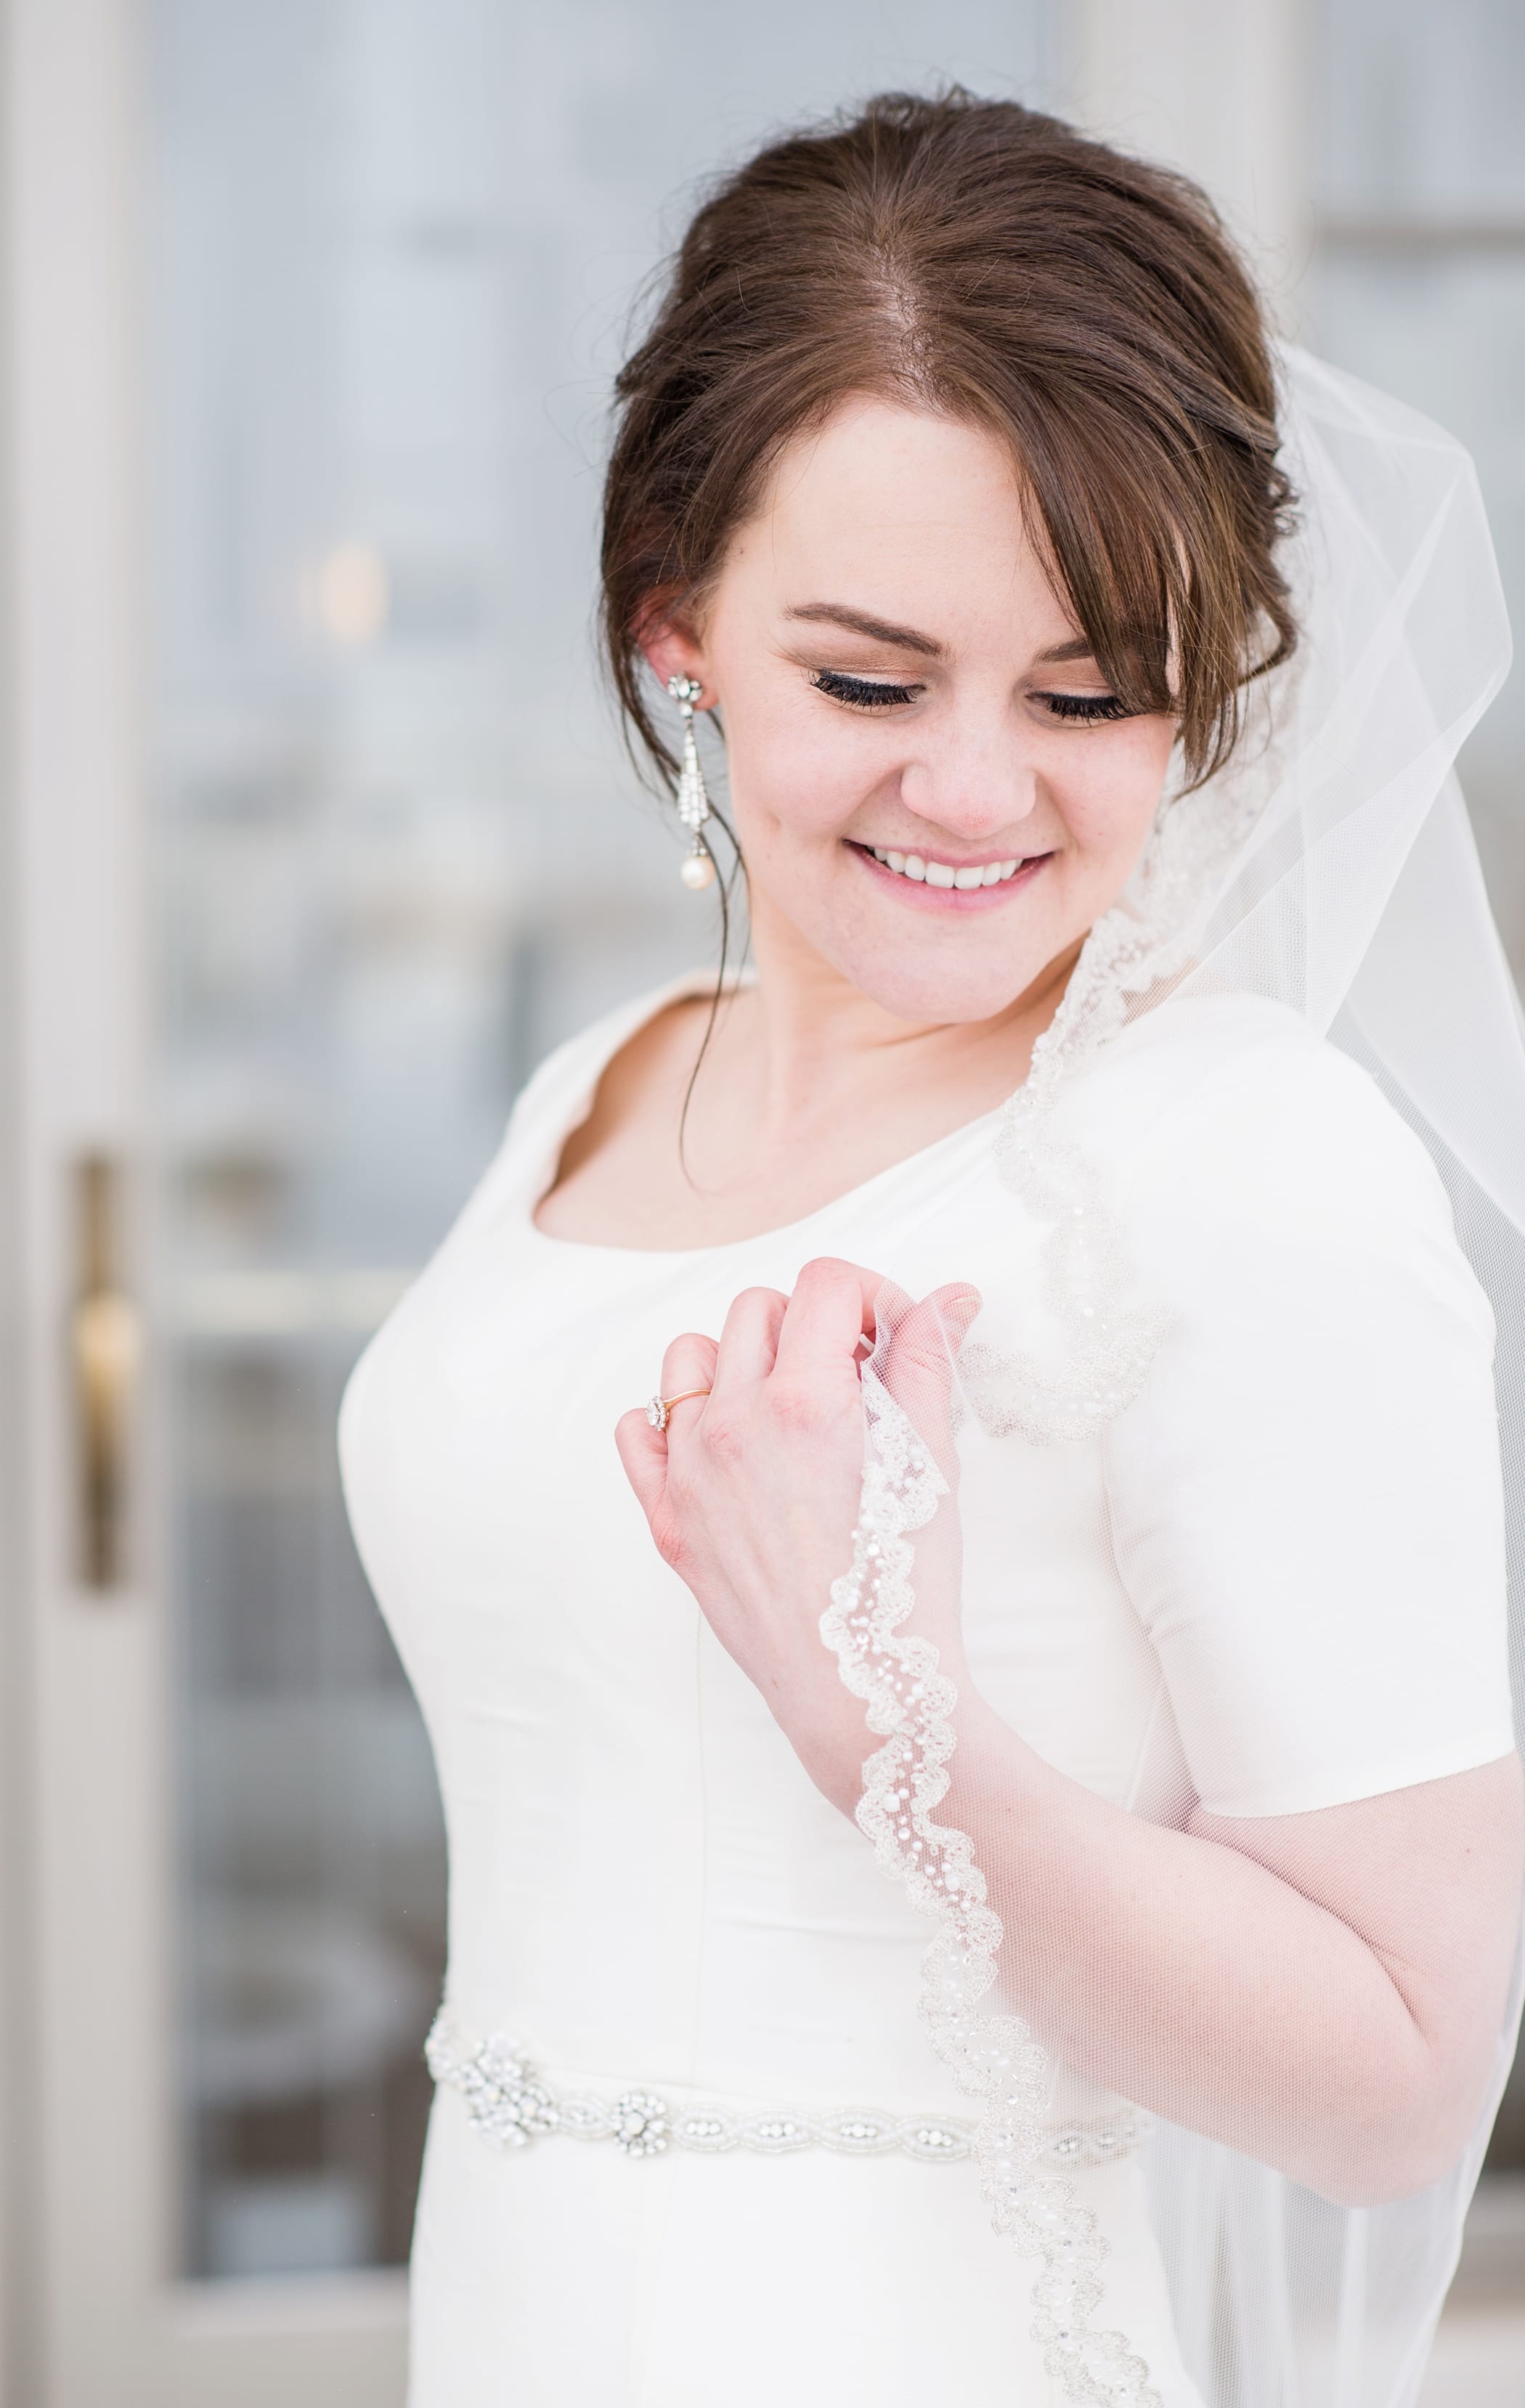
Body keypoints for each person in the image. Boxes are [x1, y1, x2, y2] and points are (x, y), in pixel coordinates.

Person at [338, 90, 1524, 2408]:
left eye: (1090, 693)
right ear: (672, 627)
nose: (979, 791)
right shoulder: (592, 1076)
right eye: (870, 681)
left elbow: (1396, 2076)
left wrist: (874, 1710)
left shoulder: (1240, 1162)